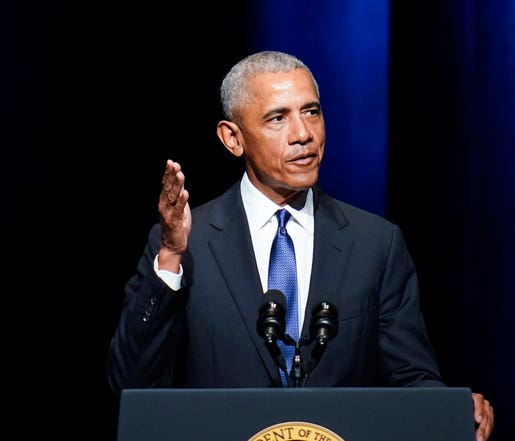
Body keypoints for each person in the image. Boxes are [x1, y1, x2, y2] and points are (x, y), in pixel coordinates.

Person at [106, 50, 494, 440]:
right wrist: (171, 258)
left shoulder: (375, 243)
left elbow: (411, 379)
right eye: (278, 118)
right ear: (232, 138)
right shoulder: (186, 245)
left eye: (311, 112)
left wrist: (452, 408)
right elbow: (132, 386)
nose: (303, 133)